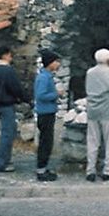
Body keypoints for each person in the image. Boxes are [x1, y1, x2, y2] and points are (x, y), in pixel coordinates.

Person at [85, 48, 109, 182]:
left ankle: (90, 170)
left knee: (92, 141)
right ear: (108, 59)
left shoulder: (89, 73)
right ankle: (108, 171)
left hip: (92, 111)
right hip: (108, 111)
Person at [0, 45, 28, 172]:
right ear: (4, 55)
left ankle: (4, 160)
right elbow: (15, 88)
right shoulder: (8, 71)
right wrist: (25, 98)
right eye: (10, 55)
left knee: (6, 133)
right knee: (7, 134)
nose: (11, 57)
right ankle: (2, 162)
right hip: (6, 104)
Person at [34, 50, 61, 182]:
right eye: (56, 61)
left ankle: (43, 167)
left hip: (47, 112)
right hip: (45, 113)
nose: (58, 64)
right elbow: (41, 95)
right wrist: (56, 94)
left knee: (47, 141)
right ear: (50, 63)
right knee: (46, 142)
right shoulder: (44, 78)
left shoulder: (46, 76)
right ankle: (41, 169)